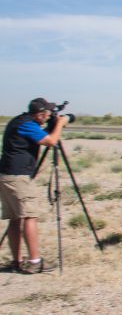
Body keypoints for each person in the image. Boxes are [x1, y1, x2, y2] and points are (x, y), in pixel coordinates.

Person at [0, 98, 69, 273]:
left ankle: (16, 261)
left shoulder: (20, 121)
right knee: (29, 217)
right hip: (18, 178)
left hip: (7, 176)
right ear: (40, 114)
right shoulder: (27, 125)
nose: (49, 116)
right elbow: (51, 141)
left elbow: (41, 135)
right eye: (47, 114)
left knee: (15, 219)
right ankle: (35, 261)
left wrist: (53, 124)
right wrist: (60, 123)